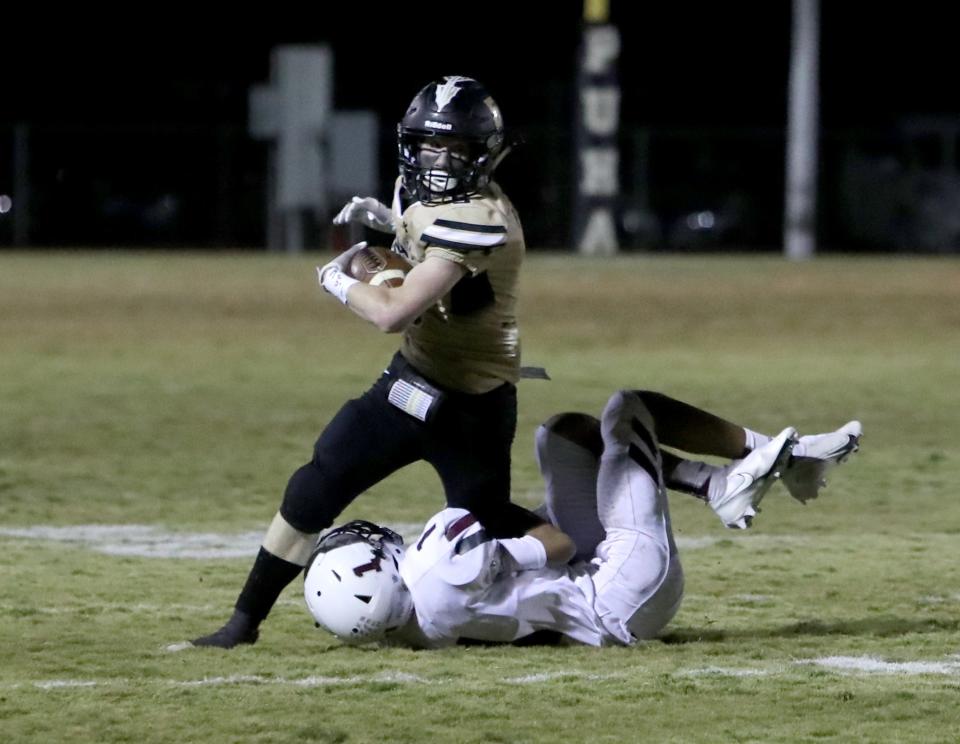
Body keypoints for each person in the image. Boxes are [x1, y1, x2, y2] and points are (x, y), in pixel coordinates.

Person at [193, 76, 538, 649]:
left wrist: (337, 279)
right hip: (412, 383)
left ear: (486, 155)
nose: (439, 161)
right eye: (430, 145)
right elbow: (413, 257)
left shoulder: (480, 215)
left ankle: (565, 561)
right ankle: (241, 624)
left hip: (474, 405)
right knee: (315, 486)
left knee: (484, 533)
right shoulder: (419, 191)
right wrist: (397, 229)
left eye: (456, 150)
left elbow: (393, 312)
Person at [303, 390, 862, 647]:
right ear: (372, 570)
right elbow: (558, 546)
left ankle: (737, 477)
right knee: (626, 409)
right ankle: (747, 464)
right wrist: (491, 510)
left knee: (565, 432)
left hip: (590, 603)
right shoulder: (436, 566)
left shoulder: (413, 630)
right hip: (616, 590)